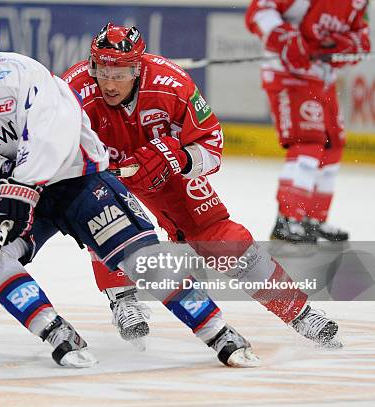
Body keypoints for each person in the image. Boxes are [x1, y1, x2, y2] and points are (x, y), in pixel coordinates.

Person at [0, 11, 259, 369]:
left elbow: (54, 137)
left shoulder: (24, 75)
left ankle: (218, 331)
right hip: (24, 194)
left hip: (78, 178)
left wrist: (19, 182)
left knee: (140, 259)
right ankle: (55, 332)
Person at [61, 23, 343, 352]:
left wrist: (176, 158)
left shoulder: (172, 85)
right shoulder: (72, 90)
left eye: (120, 72)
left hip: (166, 172)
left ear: (138, 69)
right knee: (102, 215)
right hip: (103, 171)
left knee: (221, 237)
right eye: (103, 70)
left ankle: (299, 312)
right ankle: (122, 297)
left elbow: (212, 147)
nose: (109, 83)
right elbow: (56, 154)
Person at [245, 0, 370, 242]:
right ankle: (288, 218)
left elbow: (361, 37)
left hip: (322, 79)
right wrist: (285, 39)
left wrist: (345, 46)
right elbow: (260, 10)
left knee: (333, 144)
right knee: (308, 142)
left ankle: (314, 219)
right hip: (287, 75)